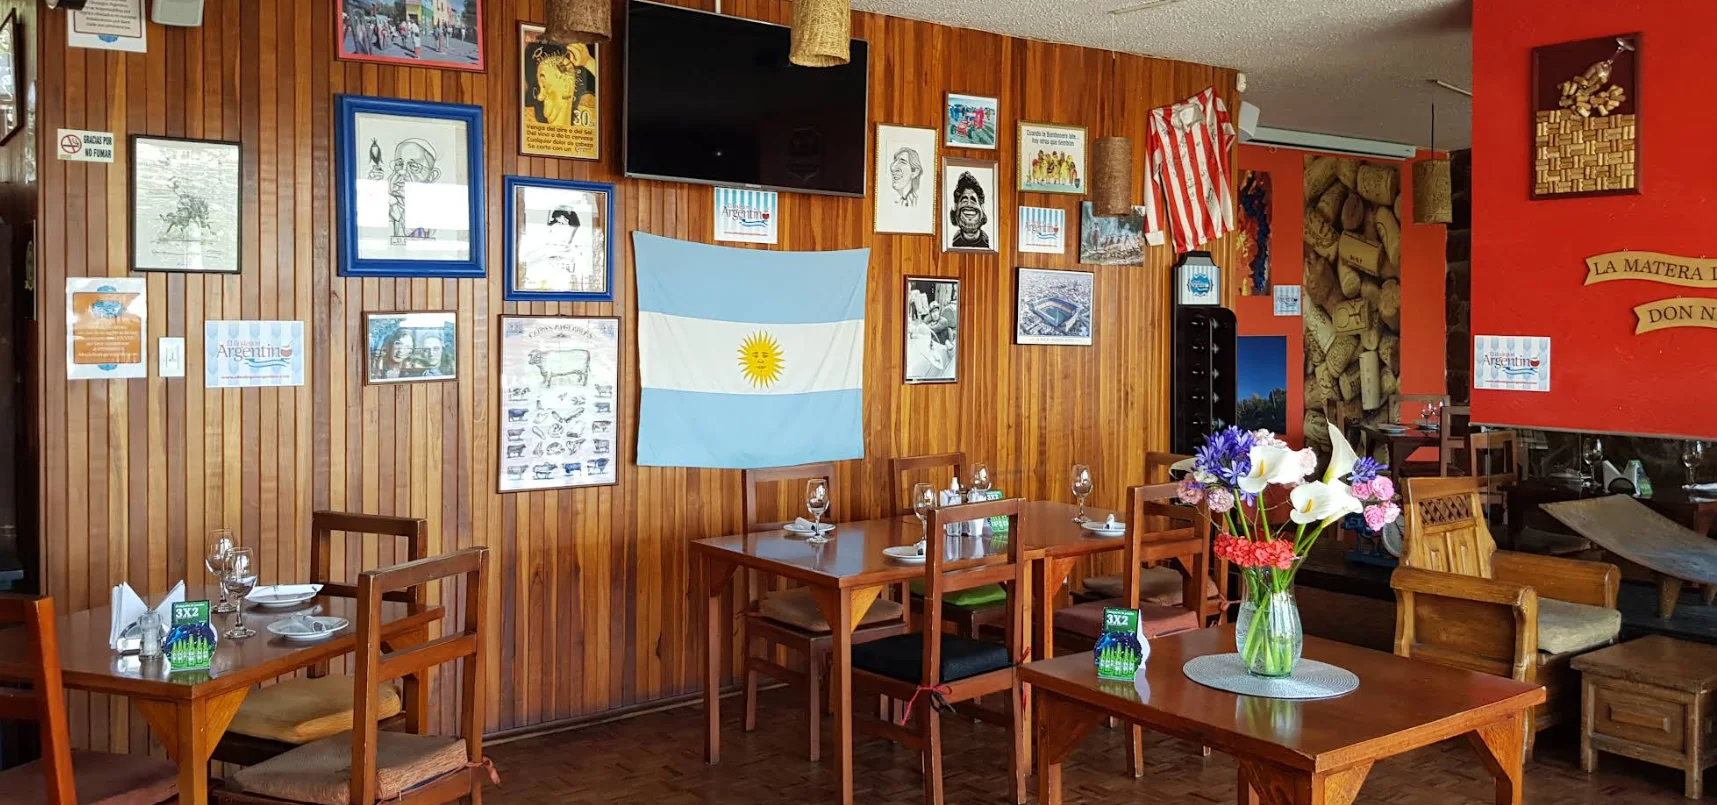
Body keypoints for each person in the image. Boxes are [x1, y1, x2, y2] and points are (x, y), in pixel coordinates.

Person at [948, 171, 990, 249]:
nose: (969, 204)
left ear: (982, 207)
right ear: (956, 207)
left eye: (973, 200)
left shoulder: (989, 243)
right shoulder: (951, 243)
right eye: (964, 200)